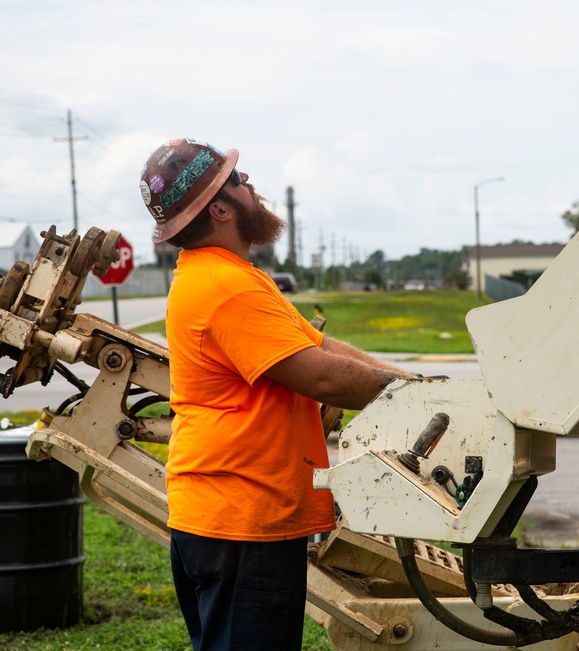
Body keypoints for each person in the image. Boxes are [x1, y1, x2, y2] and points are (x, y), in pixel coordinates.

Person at [139, 138, 410, 650]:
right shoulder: (226, 288)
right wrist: (415, 397)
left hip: (237, 517)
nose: (252, 185)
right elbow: (322, 378)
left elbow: (325, 347)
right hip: (241, 521)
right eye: (238, 181)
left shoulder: (235, 279)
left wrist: (419, 388)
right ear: (220, 208)